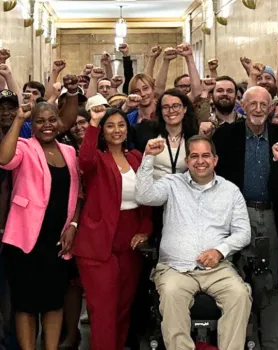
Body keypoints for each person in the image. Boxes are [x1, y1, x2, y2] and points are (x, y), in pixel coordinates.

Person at [135, 135, 252, 350]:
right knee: (171, 293)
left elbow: (243, 232)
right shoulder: (172, 184)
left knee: (240, 294)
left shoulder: (231, 191)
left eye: (206, 155)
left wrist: (220, 250)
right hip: (175, 268)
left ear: (215, 160)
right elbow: (143, 196)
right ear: (187, 161)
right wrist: (148, 157)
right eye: (194, 156)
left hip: (217, 269)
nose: (200, 161)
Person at [212, 86, 278, 350]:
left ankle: (271, 343)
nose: (258, 109)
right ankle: (240, 342)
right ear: (242, 107)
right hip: (234, 215)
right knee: (235, 282)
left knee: (269, 283)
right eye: (252, 104)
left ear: (271, 109)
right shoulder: (225, 135)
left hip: (270, 215)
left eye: (264, 104)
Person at [0, 102, 81, 350]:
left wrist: (74, 225)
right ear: (32, 125)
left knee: (54, 302)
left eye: (51, 120)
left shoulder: (69, 151)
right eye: (39, 121)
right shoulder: (24, 147)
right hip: (26, 240)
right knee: (26, 305)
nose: (47, 125)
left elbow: (78, 193)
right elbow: (4, 159)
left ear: (58, 122)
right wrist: (18, 119)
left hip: (57, 241)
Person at [72, 106, 152, 350]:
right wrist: (93, 123)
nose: (117, 130)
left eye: (121, 125)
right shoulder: (96, 159)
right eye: (110, 125)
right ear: (102, 132)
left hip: (130, 239)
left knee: (122, 308)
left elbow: (147, 197)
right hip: (98, 241)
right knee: (103, 309)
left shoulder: (137, 157)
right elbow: (84, 159)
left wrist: (145, 229)